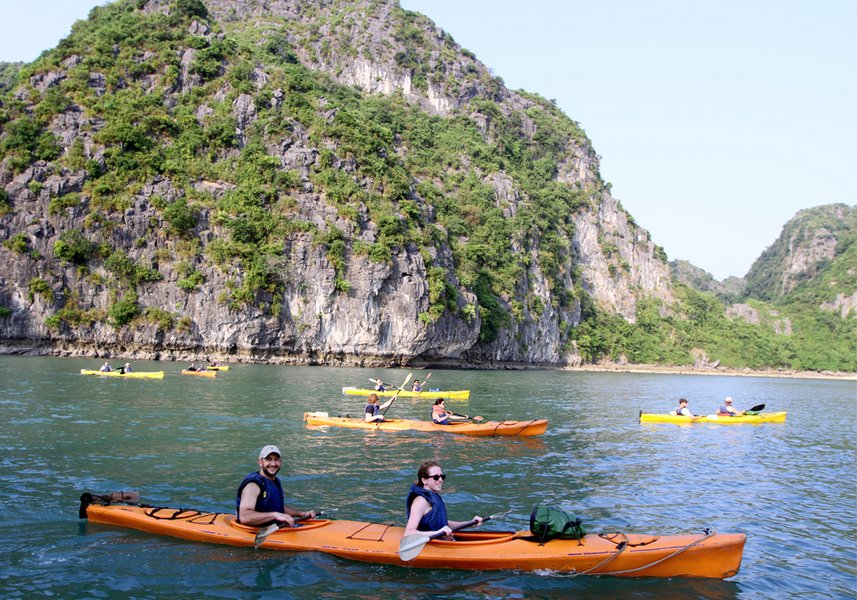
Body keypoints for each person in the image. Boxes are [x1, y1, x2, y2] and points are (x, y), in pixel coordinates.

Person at [236, 445, 316, 527]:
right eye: (268, 459)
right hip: (254, 532)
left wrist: (301, 514)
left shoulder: (274, 481)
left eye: (276, 459)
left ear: (280, 462)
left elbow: (277, 507)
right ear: (260, 462)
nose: (273, 464)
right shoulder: (253, 485)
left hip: (275, 528)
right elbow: (245, 517)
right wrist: (275, 515)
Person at [404, 461, 483, 540]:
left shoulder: (433, 497)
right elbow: (409, 533)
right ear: (424, 480)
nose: (440, 480)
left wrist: (469, 523)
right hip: (432, 545)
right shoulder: (420, 502)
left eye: (442, 476)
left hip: (447, 541)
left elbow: (442, 523)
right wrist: (437, 533)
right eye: (436, 477)